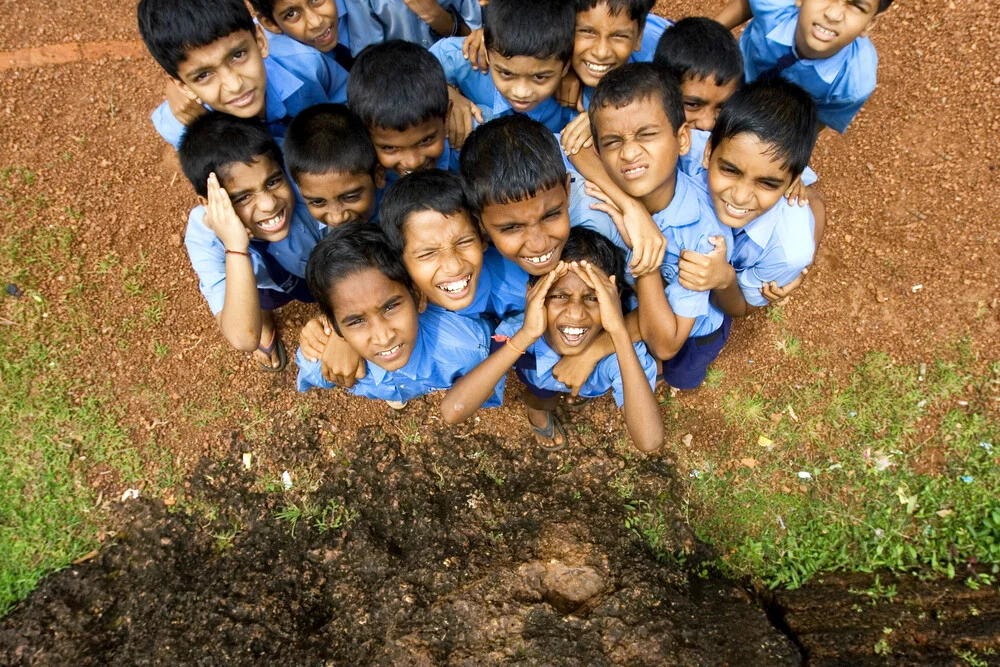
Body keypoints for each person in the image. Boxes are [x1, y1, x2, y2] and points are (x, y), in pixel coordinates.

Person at [298, 169, 527, 386]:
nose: (452, 266)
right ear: (399, 261)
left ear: (482, 237)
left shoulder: (515, 283)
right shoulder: (398, 304)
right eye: (427, 253)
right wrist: (340, 337)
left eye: (464, 242)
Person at [441, 228, 662, 452]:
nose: (576, 313)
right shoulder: (516, 331)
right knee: (541, 398)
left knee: (581, 389)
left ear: (615, 298)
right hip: (539, 381)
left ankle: (577, 393)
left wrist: (618, 331)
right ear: (533, 294)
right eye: (559, 295)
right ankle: (538, 411)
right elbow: (453, 411)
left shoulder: (623, 353)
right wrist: (527, 335)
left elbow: (649, 440)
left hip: (595, 381)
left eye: (593, 297)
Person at [587, 63, 734, 390]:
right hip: (648, 309)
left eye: (646, 134)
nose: (628, 152)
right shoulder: (606, 193)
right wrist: (630, 206)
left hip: (695, 330)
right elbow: (571, 147)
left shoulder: (703, 237)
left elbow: (667, 343)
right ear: (598, 151)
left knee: (681, 371)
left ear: (682, 139)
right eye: (612, 142)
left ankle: (673, 376)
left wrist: (644, 257)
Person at [296, 223, 501, 411]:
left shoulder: (466, 350)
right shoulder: (322, 365)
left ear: (418, 297)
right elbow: (309, 370)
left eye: (390, 307)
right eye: (357, 321)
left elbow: (486, 376)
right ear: (336, 327)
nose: (383, 337)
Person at [178, 113, 326, 371]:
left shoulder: (304, 171)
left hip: (322, 260)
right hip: (263, 284)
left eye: (273, 181)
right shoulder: (204, 238)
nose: (269, 204)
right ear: (209, 203)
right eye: (243, 197)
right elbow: (243, 337)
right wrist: (235, 247)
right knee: (255, 301)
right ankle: (263, 319)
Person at [677, 78, 827, 315]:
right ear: (708, 152)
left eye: (767, 183)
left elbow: (742, 307)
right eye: (729, 170)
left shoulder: (788, 252)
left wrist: (724, 280)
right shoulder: (685, 151)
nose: (740, 196)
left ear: (791, 182)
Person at [138, 0, 346, 148]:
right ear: (184, 87)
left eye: (238, 55)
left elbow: (349, 102)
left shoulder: (306, 64)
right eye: (203, 75)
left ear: (261, 42)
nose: (234, 85)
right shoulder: (181, 124)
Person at [715, 0, 892, 133]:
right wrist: (701, 36)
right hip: (734, 70)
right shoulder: (775, 4)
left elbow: (817, 121)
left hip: (770, 115)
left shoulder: (854, 84)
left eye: (857, 6)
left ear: (869, 24)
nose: (833, 15)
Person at [430, 0, 578, 144]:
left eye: (539, 77)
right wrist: (447, 95)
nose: (521, 92)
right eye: (506, 74)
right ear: (487, 54)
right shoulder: (468, 58)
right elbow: (414, 71)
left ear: (566, 67)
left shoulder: (577, 95)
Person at [347, 40, 460, 180]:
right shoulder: (363, 174)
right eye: (389, 148)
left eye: (426, 140)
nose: (413, 162)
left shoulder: (469, 153)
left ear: (446, 118)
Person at [283, 104, 383, 227]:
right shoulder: (299, 228)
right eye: (318, 202)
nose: (337, 218)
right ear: (299, 189)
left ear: (379, 175)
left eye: (350, 197)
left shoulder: (406, 210)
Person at [344, 0, 482, 55]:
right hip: (405, 82)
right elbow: (370, 58)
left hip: (463, 67)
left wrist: (434, 16)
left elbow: (476, 41)